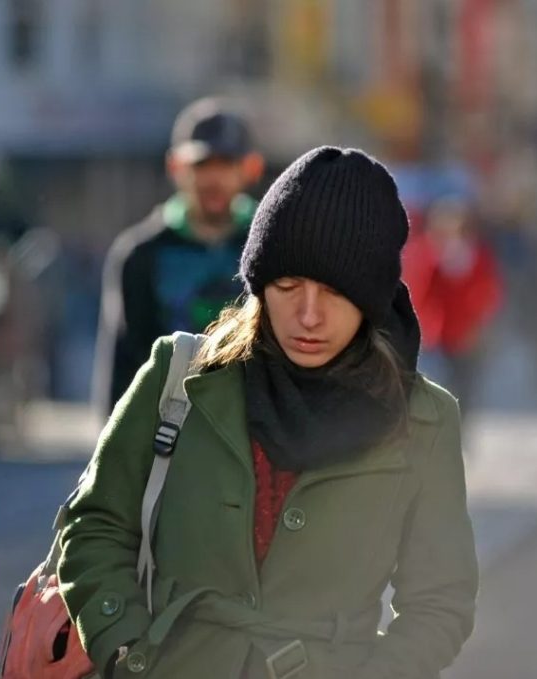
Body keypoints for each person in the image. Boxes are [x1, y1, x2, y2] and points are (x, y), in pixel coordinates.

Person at [59, 147, 478, 679]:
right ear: (259, 285)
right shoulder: (180, 377)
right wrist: (127, 652)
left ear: (371, 300)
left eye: (334, 292)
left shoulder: (423, 421)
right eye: (287, 286)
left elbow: (440, 603)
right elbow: (94, 525)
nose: (307, 315)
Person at [93, 98, 266, 416]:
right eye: (201, 165)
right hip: (168, 435)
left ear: (251, 168)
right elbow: (123, 371)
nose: (214, 179)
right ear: (175, 167)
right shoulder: (141, 254)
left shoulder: (271, 244)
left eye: (226, 164)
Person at [404, 196, 502, 419]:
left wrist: (480, 323)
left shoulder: (477, 256)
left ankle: (459, 425)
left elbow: (488, 291)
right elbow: (416, 292)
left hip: (465, 334)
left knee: (464, 384)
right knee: (436, 384)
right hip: (435, 334)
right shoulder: (425, 254)